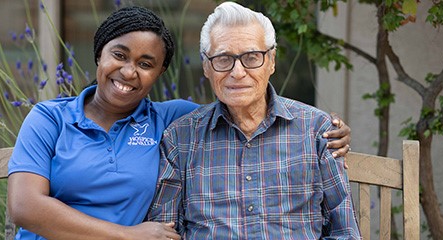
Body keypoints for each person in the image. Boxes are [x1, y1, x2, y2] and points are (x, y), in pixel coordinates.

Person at [7, 5, 352, 240]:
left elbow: (239, 102)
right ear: (99, 54)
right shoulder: (49, 118)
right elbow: (24, 206)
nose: (128, 72)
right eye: (119, 55)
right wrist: (128, 236)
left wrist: (328, 129)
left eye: (146, 63)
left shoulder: (171, 121)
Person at [148, 2, 361, 239]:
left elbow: (345, 232)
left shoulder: (316, 131)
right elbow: (163, 233)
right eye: (223, 58)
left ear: (271, 61)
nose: (237, 72)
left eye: (251, 57)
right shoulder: (181, 138)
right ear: (207, 67)